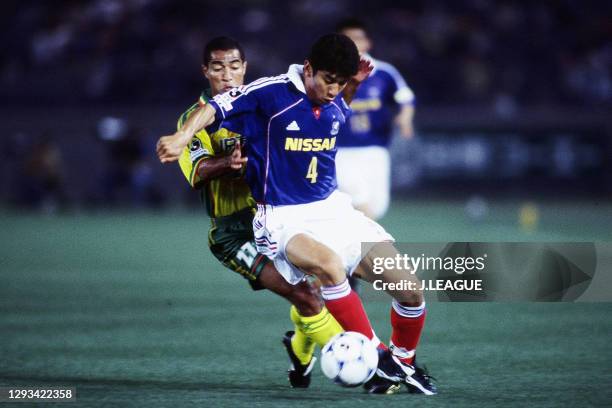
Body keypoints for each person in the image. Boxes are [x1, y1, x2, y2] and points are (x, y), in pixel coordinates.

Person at [157, 34, 436, 395]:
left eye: (341, 81)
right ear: (308, 70)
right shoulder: (268, 93)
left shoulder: (334, 97)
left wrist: (351, 86)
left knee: (410, 291)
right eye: (329, 79)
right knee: (327, 274)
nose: (334, 89)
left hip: (334, 211)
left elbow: (336, 110)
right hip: (279, 219)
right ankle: (378, 359)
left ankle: (402, 362)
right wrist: (181, 137)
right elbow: (213, 110)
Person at [176, 36, 343, 388]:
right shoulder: (195, 118)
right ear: (205, 71)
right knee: (302, 294)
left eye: (234, 66)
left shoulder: (262, 104)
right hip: (234, 234)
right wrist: (228, 163)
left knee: (319, 288)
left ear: (245, 68)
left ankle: (299, 349)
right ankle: (360, 359)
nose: (227, 75)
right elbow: (195, 173)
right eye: (218, 67)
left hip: (277, 217)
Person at [335, 18, 416, 220]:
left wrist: (405, 118)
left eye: (358, 38)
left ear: (367, 42)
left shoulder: (384, 73)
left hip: (375, 150)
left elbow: (405, 98)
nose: (354, 43)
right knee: (357, 200)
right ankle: (376, 247)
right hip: (340, 151)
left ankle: (357, 247)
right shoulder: (329, 74)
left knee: (377, 208)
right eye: (348, 38)